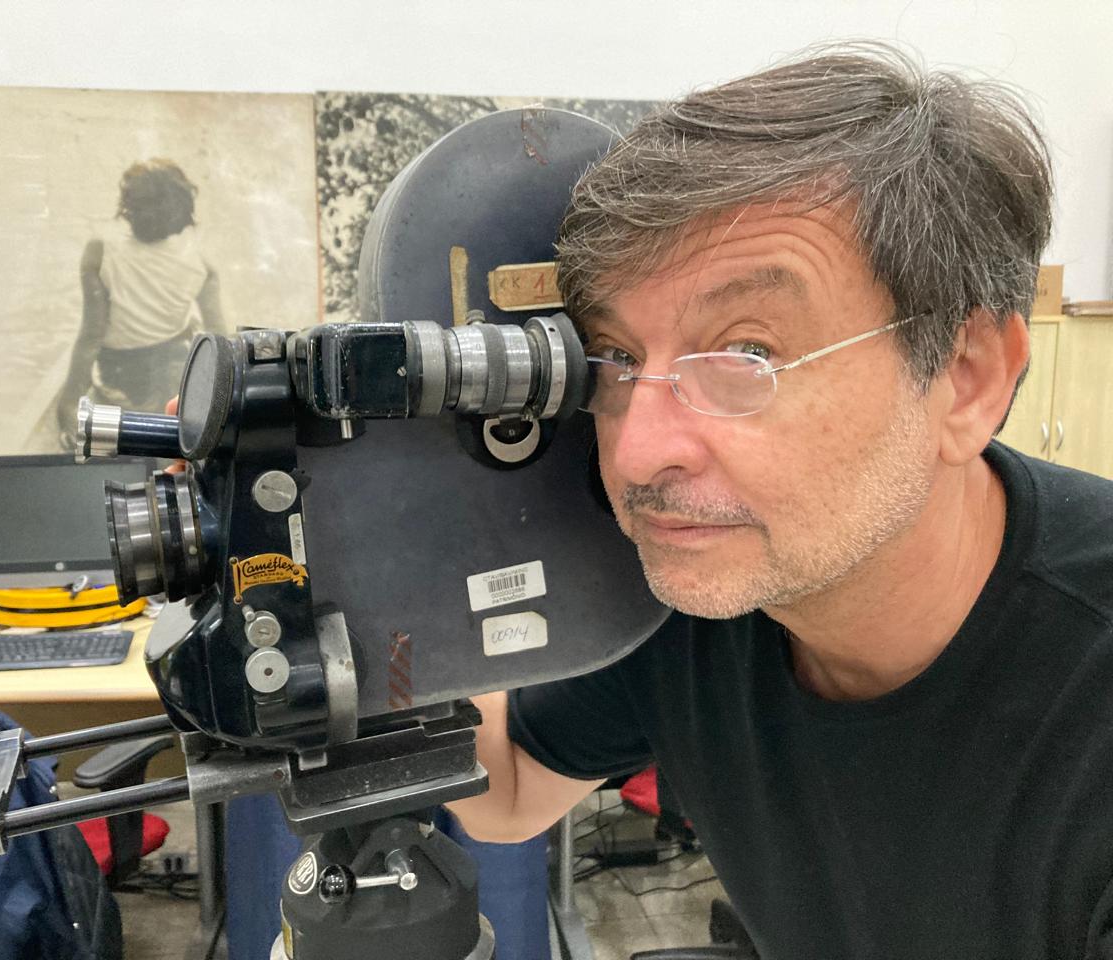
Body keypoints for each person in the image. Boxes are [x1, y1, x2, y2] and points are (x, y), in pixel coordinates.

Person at [447, 44, 1113, 960]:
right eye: (618, 360)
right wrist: (387, 586)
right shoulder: (694, 595)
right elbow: (513, 790)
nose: (637, 453)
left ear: (966, 379)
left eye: (745, 355)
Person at [53, 159, 225, 444]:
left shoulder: (101, 252)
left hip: (120, 376)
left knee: (111, 433)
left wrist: (68, 405)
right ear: (182, 210)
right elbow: (220, 339)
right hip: (175, 374)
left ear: (128, 208)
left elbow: (91, 336)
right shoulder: (201, 262)